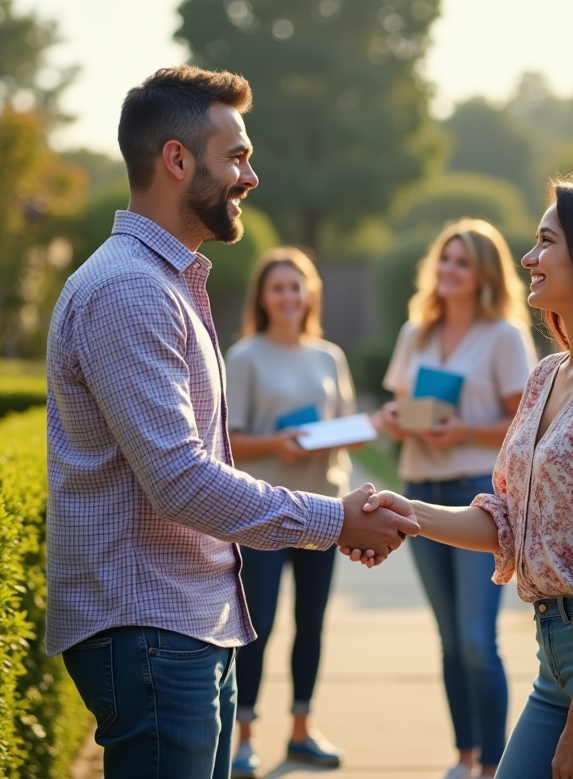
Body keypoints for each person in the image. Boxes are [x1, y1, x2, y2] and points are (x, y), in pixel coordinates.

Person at [44, 66, 418, 779]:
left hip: (184, 619)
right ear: (177, 161)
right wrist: (334, 520)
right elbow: (180, 481)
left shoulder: (165, 281)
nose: (251, 176)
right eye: (237, 156)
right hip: (149, 625)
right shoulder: (130, 289)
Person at [353, 176, 573, 778]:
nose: (528, 258)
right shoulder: (548, 375)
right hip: (559, 669)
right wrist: (404, 512)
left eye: (546, 242)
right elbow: (510, 521)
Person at [379, 218, 536, 779]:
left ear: (483, 274)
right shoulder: (414, 334)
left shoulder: (503, 336)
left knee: (476, 638)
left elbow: (524, 424)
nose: (449, 270)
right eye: (444, 259)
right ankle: (464, 756)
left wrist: (464, 433)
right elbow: (397, 408)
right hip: (420, 486)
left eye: (462, 262)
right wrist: (396, 421)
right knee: (449, 639)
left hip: (475, 497)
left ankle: (493, 766)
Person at [224, 248, 355, 776]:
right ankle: (245, 736)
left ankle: (302, 729)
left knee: (311, 622)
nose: (287, 297)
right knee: (259, 626)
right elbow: (226, 442)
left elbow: (349, 427)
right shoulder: (245, 357)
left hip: (324, 509)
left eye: (296, 287)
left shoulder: (329, 356)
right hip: (265, 513)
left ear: (309, 294)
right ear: (263, 297)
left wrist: (332, 440)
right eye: (277, 288)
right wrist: (279, 443)